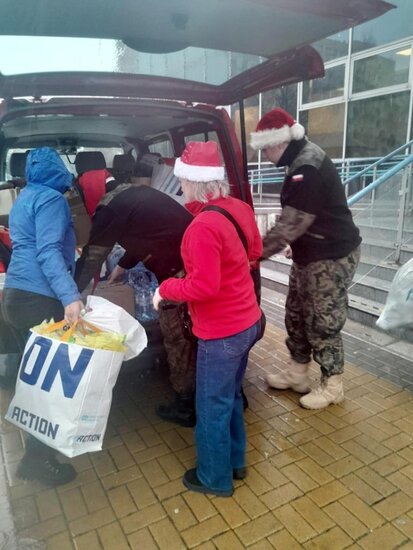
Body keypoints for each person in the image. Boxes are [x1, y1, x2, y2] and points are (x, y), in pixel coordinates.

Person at [153, 141, 262, 497]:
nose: (180, 186)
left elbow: (203, 286)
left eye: (182, 180)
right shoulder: (238, 208)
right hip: (249, 321)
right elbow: (254, 252)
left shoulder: (202, 226)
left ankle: (214, 478)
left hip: (222, 332)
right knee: (230, 396)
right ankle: (235, 461)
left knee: (211, 405)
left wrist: (166, 288)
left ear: (194, 181)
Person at [250, 108, 361, 410]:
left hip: (331, 254)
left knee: (323, 320)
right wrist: (295, 243)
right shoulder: (297, 161)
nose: (264, 155)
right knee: (296, 313)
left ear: (278, 142)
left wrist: (254, 255)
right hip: (311, 251)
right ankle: (298, 374)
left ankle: (333, 385)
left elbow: (292, 222)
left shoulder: (307, 167)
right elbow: (304, 217)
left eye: (265, 149)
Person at [74, 181, 198, 427]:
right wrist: (121, 267)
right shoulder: (135, 197)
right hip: (197, 262)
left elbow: (92, 258)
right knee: (197, 332)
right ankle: (227, 392)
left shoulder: (107, 212)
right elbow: (145, 233)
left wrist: (71, 293)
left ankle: (185, 404)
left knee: (176, 335)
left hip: (179, 272)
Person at [2, 147, 83, 486]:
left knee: (34, 380)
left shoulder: (25, 197)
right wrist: (70, 296)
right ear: (58, 170)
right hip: (38, 298)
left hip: (16, 296)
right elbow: (47, 251)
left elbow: (33, 245)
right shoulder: (52, 199)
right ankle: (37, 461)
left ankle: (37, 452)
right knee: (48, 384)